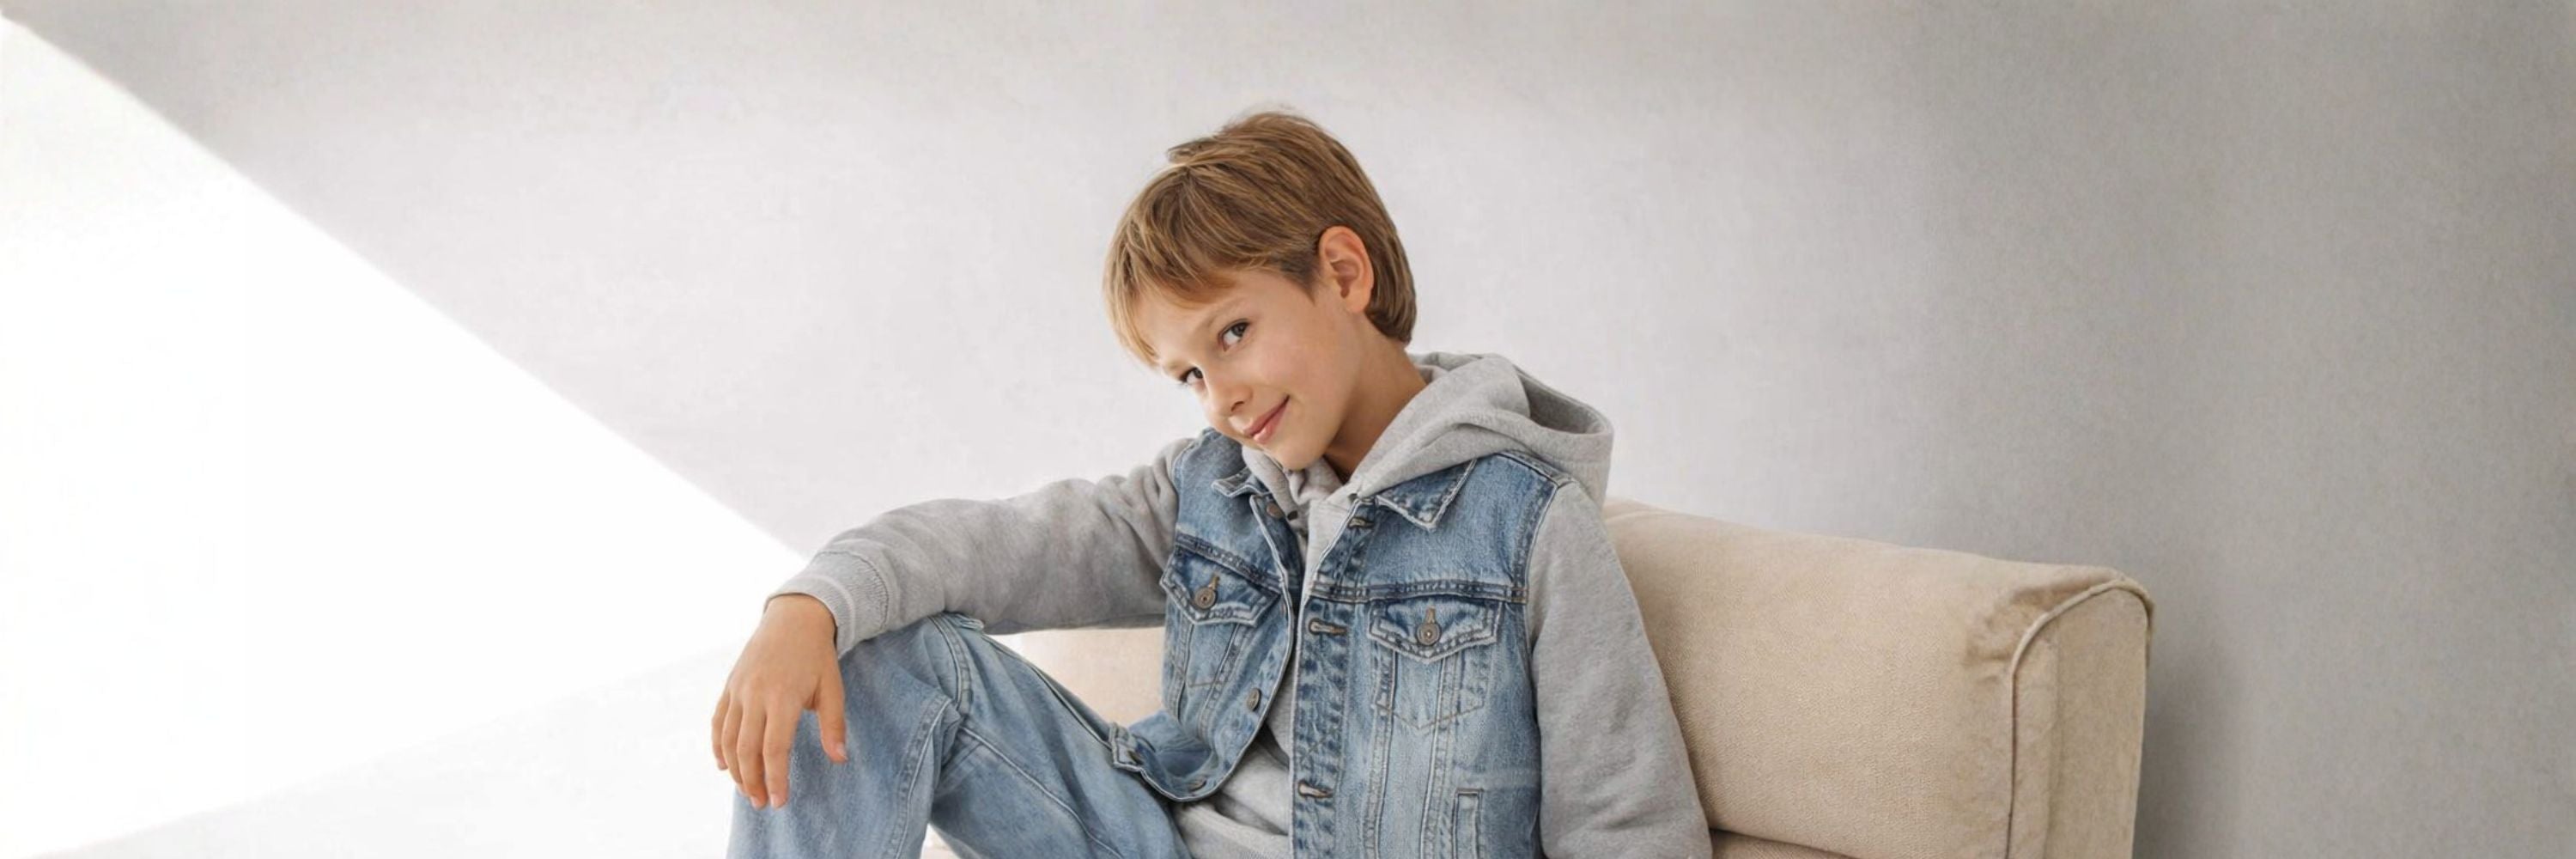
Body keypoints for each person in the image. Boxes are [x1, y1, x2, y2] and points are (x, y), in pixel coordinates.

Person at [714, 107, 1711, 858]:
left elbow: (1630, 823)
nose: (1221, 398)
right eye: (1190, 372)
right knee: (870, 653)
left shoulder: (1528, 524)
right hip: (1146, 836)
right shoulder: (1212, 490)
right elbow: (995, 543)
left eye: (1233, 333)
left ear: (1344, 274)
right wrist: (807, 604)